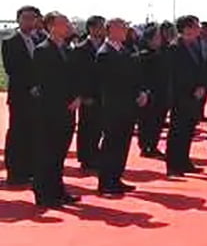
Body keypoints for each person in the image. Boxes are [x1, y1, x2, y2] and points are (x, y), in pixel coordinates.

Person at [30, 12, 82, 208]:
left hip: (68, 109)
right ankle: (43, 193)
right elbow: (46, 83)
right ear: (51, 26)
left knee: (60, 153)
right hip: (50, 110)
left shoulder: (68, 49)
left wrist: (77, 97)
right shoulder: (42, 50)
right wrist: (65, 100)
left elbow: (75, 77)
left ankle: (58, 190)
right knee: (47, 152)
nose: (67, 25)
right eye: (63, 23)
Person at [95, 19, 148, 195]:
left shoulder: (124, 50)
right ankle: (106, 182)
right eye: (121, 28)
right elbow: (109, 83)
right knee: (111, 144)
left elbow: (134, 75)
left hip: (127, 106)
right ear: (110, 31)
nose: (125, 30)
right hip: (113, 107)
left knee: (122, 144)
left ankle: (116, 178)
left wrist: (140, 92)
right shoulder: (104, 53)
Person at [2, 5, 42, 186]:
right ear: (18, 20)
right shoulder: (10, 41)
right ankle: (15, 172)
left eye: (32, 18)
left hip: (39, 96)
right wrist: (30, 86)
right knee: (17, 133)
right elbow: (12, 69)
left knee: (34, 133)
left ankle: (30, 169)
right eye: (25, 18)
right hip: (20, 95)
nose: (29, 21)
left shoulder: (39, 39)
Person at [165, 15, 207, 176]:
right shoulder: (175, 47)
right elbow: (174, 76)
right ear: (187, 28)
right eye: (195, 26)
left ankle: (184, 161)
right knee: (177, 131)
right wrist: (189, 91)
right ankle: (173, 165)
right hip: (180, 96)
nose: (198, 29)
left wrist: (201, 85)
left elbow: (200, 67)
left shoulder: (195, 44)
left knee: (188, 130)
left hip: (195, 96)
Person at [71, 15, 106, 173]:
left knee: (99, 126)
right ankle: (86, 158)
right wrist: (83, 95)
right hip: (89, 95)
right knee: (87, 127)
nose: (103, 29)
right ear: (91, 28)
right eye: (100, 26)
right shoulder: (81, 49)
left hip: (103, 94)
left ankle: (95, 155)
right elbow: (78, 74)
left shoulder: (106, 46)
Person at [137, 24, 169, 159]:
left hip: (161, 93)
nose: (159, 40)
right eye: (156, 37)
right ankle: (145, 146)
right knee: (146, 121)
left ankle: (153, 145)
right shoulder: (143, 55)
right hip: (148, 93)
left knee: (158, 121)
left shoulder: (163, 53)